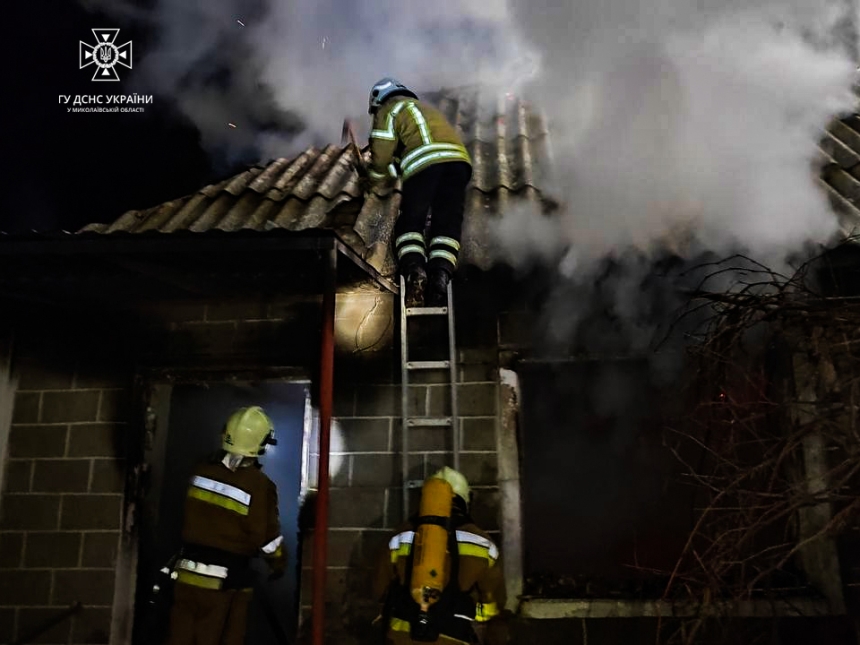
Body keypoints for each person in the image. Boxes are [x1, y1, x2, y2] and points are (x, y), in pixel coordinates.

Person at [165, 406, 286, 645]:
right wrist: (278, 564)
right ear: (259, 443)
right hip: (224, 585)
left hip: (185, 577)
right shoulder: (259, 485)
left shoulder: (201, 469)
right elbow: (266, 538)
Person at [365, 77, 473, 308]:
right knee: (446, 224)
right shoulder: (426, 110)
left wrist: (373, 179)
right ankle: (440, 277)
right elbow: (406, 149)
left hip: (425, 163)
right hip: (458, 163)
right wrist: (396, 165)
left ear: (379, 100)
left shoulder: (388, 109)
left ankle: (415, 270)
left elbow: (381, 153)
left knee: (411, 222)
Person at [373, 467, 508, 644]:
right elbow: (494, 604)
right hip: (452, 637)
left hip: (401, 636)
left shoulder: (401, 533)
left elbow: (378, 589)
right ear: (464, 500)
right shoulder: (482, 541)